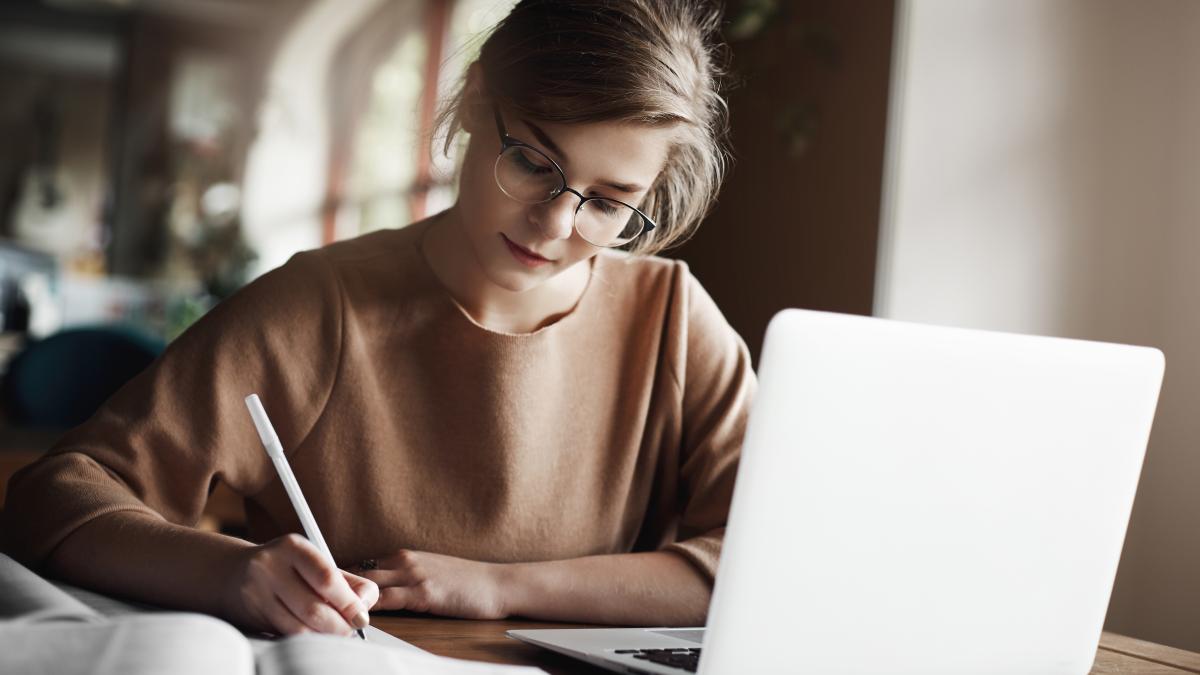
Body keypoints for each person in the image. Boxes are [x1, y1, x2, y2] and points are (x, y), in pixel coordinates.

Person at [1, 0, 754, 637]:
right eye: (532, 161)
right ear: (472, 98)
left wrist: (499, 586)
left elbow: (762, 564)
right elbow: (56, 496)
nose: (556, 225)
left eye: (610, 201)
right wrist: (229, 572)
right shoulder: (320, 306)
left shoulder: (675, 323)